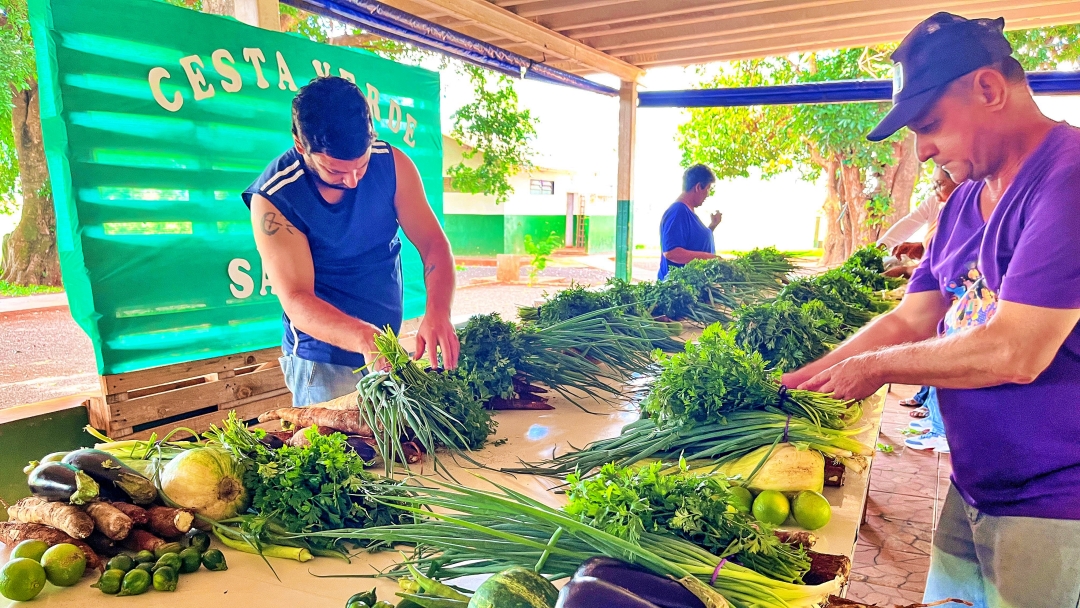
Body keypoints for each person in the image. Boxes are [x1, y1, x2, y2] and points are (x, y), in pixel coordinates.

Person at [782, 13, 1080, 607]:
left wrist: (877, 369)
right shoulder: (967, 201)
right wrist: (809, 378)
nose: (922, 152)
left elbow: (1016, 350)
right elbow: (910, 318)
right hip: (976, 485)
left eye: (930, 125)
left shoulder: (1067, 182)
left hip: (1056, 501)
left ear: (989, 90)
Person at [243, 76, 459, 407]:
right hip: (323, 363)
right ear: (302, 146)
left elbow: (433, 243)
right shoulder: (275, 198)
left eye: (361, 165)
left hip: (381, 345)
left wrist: (438, 312)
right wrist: (363, 336)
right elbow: (296, 299)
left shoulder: (393, 164)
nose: (354, 180)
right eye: (336, 171)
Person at [878, 165, 959, 258]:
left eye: (940, 184)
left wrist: (924, 249)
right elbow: (908, 222)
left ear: (959, 184)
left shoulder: (969, 212)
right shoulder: (933, 202)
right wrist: (881, 246)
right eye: (933, 184)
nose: (934, 188)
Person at [658, 164, 722, 280]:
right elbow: (672, 252)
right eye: (708, 189)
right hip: (679, 291)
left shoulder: (687, 211)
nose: (708, 195)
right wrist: (711, 258)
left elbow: (694, 241)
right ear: (698, 187)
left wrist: (712, 226)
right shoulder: (678, 211)